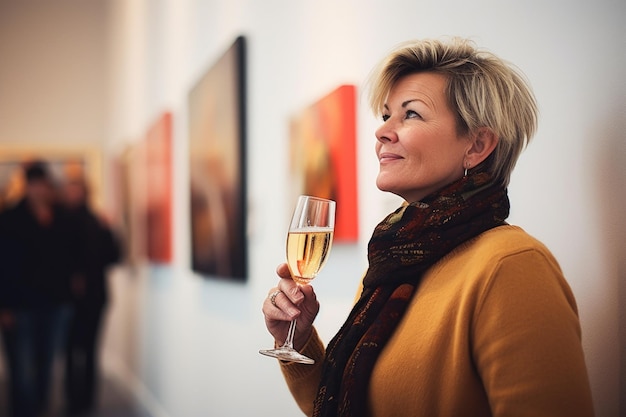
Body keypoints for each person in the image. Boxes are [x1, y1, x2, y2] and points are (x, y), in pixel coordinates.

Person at [261, 37, 595, 417]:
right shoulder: (392, 262)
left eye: (411, 114)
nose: (382, 131)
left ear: (477, 144)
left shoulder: (511, 267)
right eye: (386, 115)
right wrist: (299, 339)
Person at [0, 160, 79, 417]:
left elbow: (72, 257)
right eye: (34, 185)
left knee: (47, 366)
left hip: (55, 304)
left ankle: (41, 410)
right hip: (20, 306)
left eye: (43, 185)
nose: (39, 190)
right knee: (21, 371)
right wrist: (5, 306)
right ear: (27, 186)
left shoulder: (62, 217)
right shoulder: (10, 218)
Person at [60, 174, 121, 415]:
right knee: (69, 350)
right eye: (70, 189)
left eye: (78, 190)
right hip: (66, 299)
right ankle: (72, 399)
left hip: (94, 298)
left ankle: (87, 401)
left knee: (90, 350)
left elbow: (114, 256)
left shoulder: (96, 222)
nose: (73, 194)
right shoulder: (59, 222)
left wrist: (110, 229)